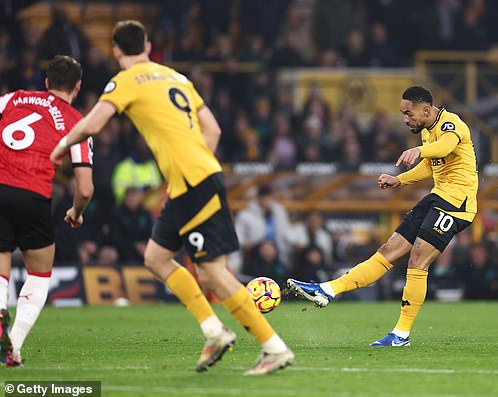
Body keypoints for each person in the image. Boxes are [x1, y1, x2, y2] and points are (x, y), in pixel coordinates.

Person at [49, 20, 294, 375]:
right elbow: (214, 129)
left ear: (116, 51)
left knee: (212, 272)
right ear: (147, 45)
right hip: (191, 181)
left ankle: (273, 347)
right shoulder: (177, 77)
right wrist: (195, 165)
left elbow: (91, 125)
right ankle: (213, 330)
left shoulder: (126, 80)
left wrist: (59, 147)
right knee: (156, 257)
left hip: (193, 183)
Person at [288, 85, 478, 347]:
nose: (405, 119)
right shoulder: (428, 131)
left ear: (425, 109)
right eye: (403, 114)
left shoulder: (451, 125)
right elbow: (429, 167)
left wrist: (419, 151)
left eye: (408, 114)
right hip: (438, 196)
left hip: (458, 202)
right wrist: (398, 180)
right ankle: (328, 290)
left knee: (417, 260)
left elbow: (445, 148)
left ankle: (401, 335)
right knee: (388, 250)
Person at [0, 56, 94, 366]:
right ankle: (13, 345)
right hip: (34, 195)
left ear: (46, 82)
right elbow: (84, 189)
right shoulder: (78, 123)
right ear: (77, 86)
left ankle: (0, 317)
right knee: (39, 274)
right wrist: (77, 212)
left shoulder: (12, 98)